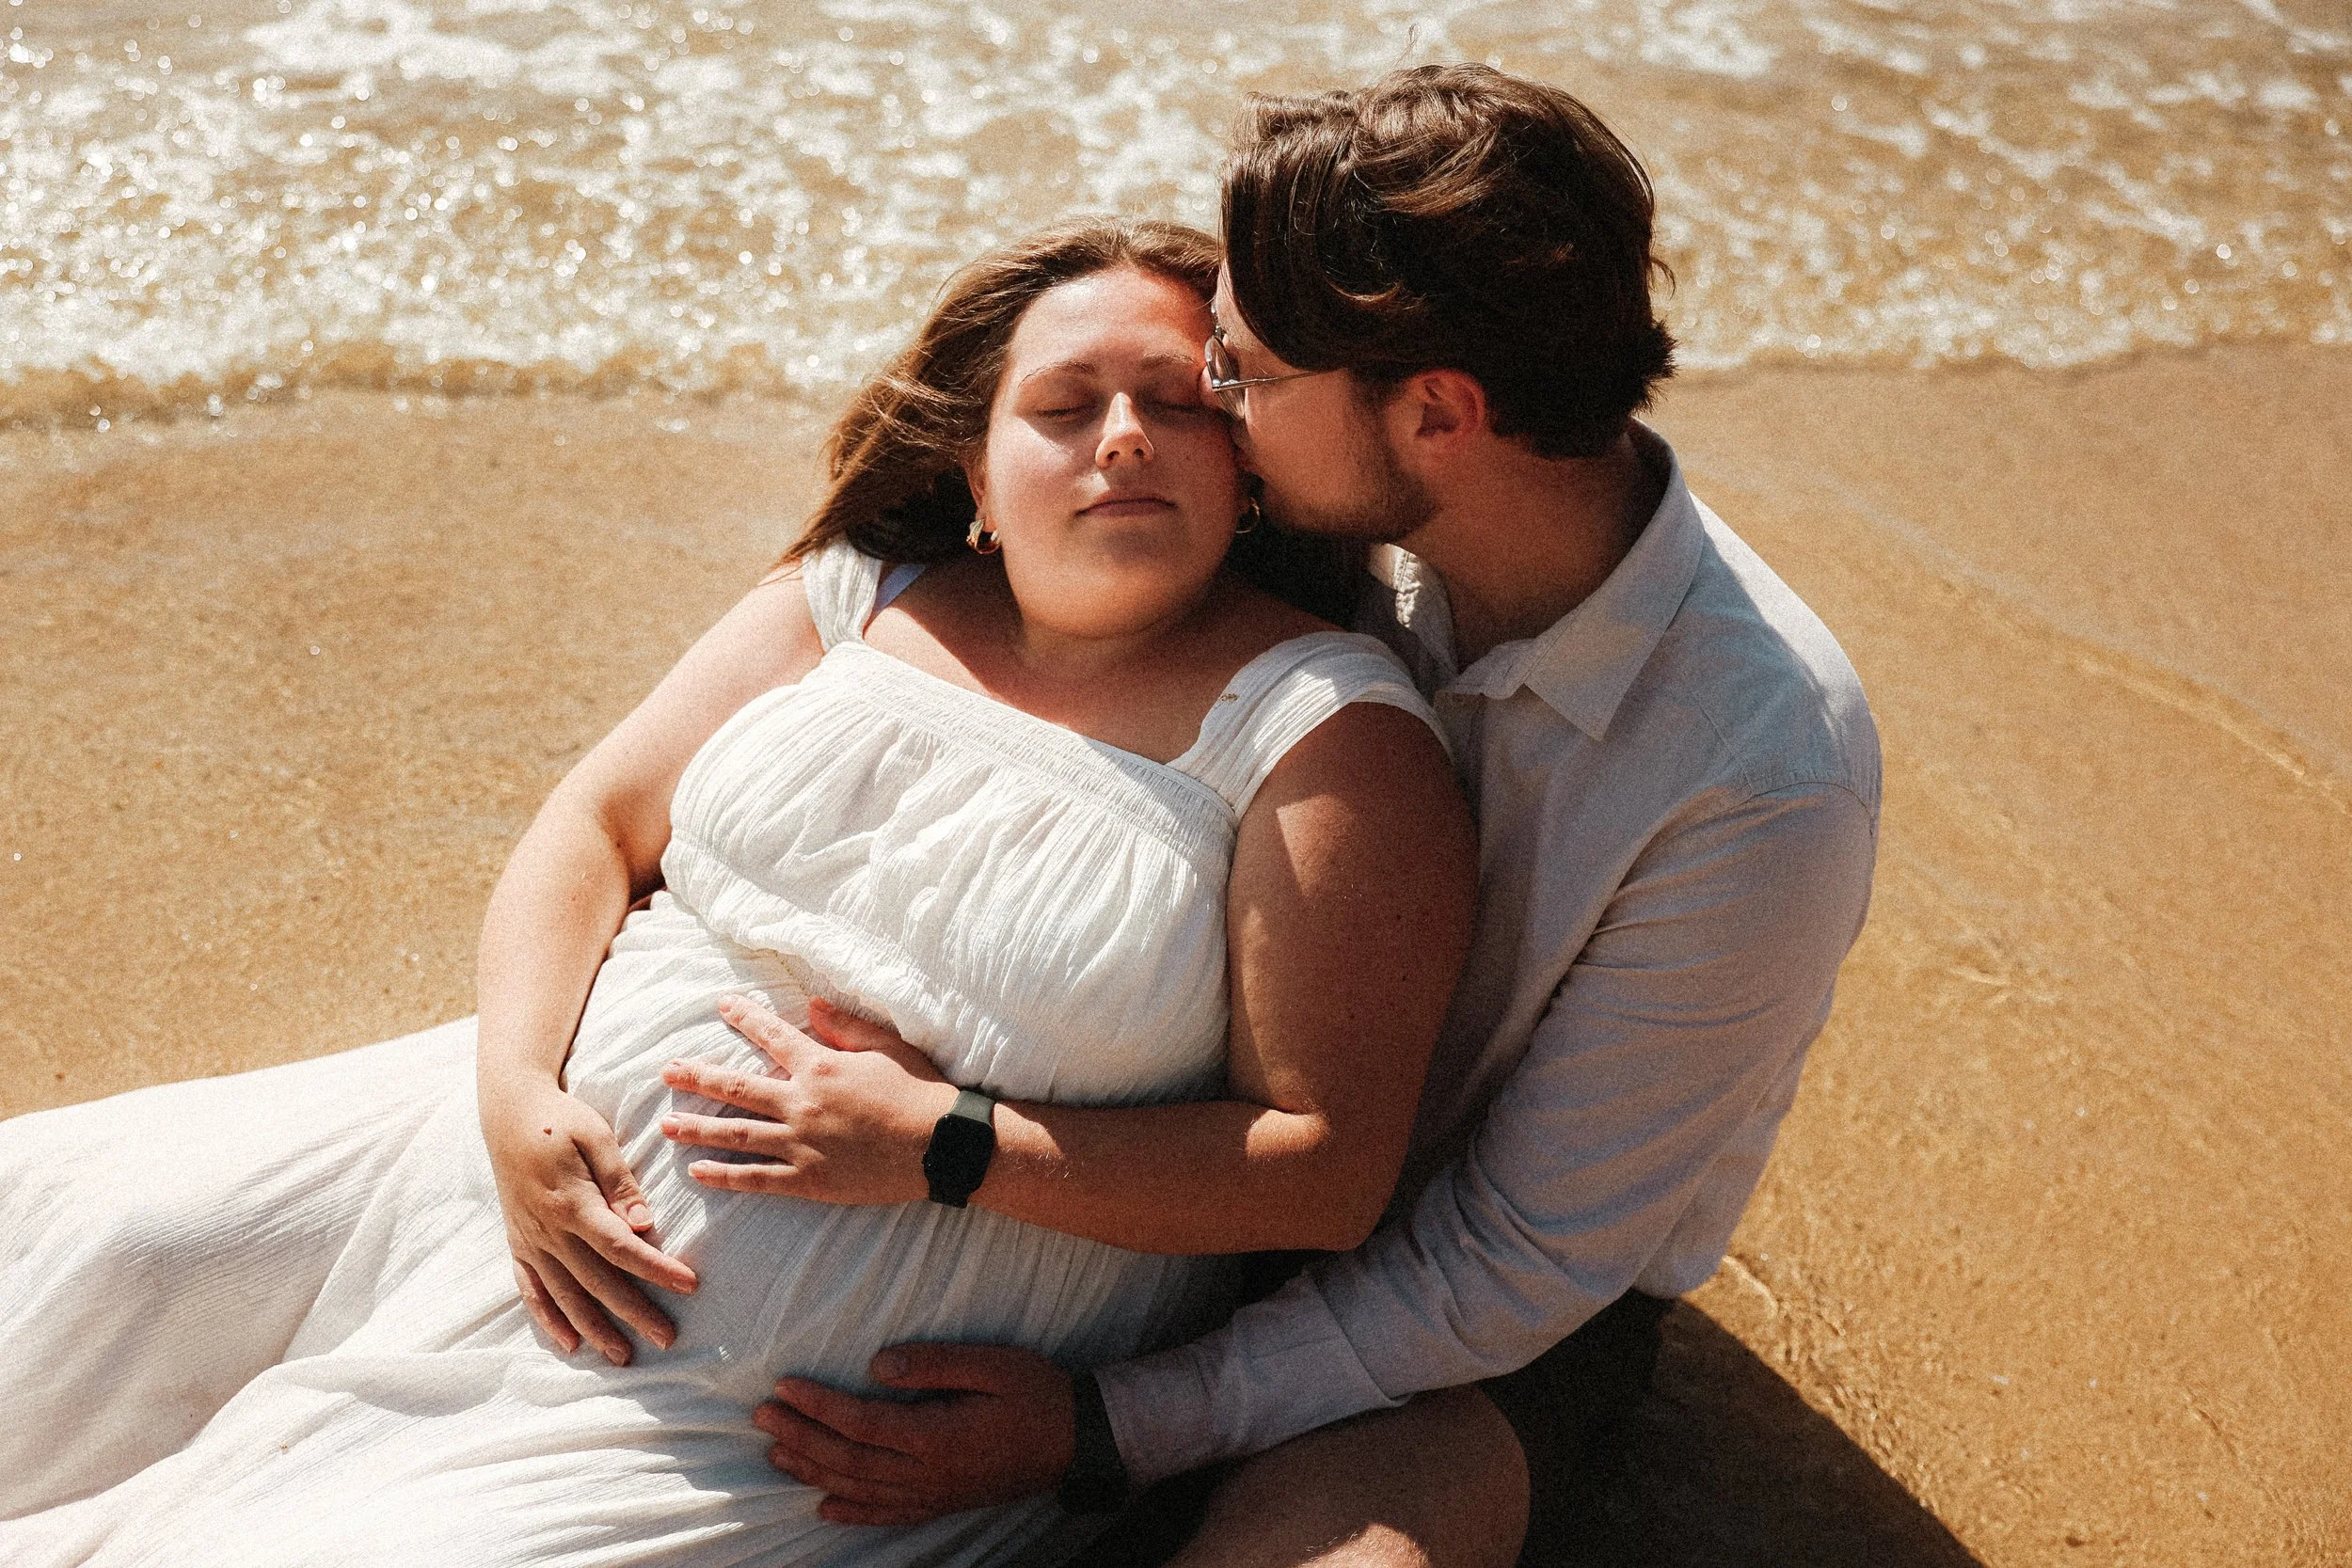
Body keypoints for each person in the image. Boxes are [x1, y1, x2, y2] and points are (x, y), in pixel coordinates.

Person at [0, 218, 1477, 1567]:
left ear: (1248, 464)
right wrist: (515, 1094)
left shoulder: (1322, 731)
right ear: (976, 466)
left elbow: (1325, 1165)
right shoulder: (865, 595)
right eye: (1065, 403)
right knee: (79, 1233)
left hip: (772, 1409)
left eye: (1178, 402)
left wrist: (953, 1144)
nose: (1124, 440)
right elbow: (592, 821)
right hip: (491, 1173)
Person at [729, 65, 1883, 1568]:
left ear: (1439, 412)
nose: (1209, 399)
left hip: (1458, 1314)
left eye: (1250, 374)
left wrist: (1103, 1422)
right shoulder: (1351, 524)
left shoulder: (1760, 776)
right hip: (1155, 1160)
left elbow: (1513, 1259)